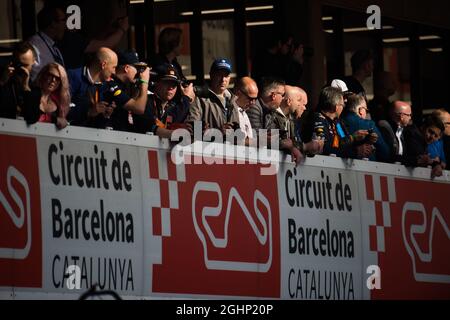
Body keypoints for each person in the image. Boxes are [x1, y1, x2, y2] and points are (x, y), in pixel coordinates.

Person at [313, 87, 373, 159]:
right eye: (342, 105)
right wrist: (355, 149)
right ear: (336, 107)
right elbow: (325, 148)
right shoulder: (318, 119)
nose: (344, 107)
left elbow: (343, 140)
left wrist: (362, 141)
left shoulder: (337, 122)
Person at [185, 58, 239, 136]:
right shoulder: (199, 99)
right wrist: (218, 131)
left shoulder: (233, 100)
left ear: (229, 78)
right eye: (219, 75)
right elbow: (192, 129)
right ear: (211, 75)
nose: (223, 79)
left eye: (226, 75)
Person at [341, 94, 390, 162]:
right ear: (361, 110)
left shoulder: (338, 124)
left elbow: (339, 144)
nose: (366, 113)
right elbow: (384, 152)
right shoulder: (369, 125)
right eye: (366, 110)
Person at [23, 63, 70, 129]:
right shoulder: (32, 93)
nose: (53, 80)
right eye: (50, 75)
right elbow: (31, 117)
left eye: (58, 78)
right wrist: (54, 120)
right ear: (43, 75)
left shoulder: (59, 103)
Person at [28, 5, 67, 81]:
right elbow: (36, 80)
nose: (65, 25)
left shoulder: (53, 46)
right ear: (53, 23)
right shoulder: (34, 46)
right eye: (64, 20)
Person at [0, 42, 37, 120]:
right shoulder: (4, 77)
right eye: (18, 64)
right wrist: (2, 82)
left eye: (26, 65)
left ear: (34, 62)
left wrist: (26, 88)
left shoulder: (35, 84)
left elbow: (32, 118)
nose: (21, 69)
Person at [232, 77, 259, 145]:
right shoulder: (230, 112)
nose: (253, 103)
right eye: (250, 98)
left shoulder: (243, 110)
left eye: (255, 99)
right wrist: (260, 141)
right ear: (238, 93)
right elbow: (235, 140)